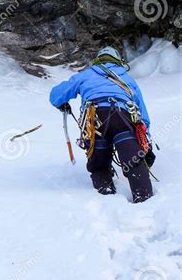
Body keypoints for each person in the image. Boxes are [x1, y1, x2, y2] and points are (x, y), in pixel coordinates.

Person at [49, 46, 154, 203]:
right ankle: (144, 198)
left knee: (99, 163)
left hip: (95, 119)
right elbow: (143, 116)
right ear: (118, 61)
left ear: (98, 59)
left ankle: (107, 197)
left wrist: (61, 103)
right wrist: (146, 140)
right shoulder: (127, 78)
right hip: (123, 117)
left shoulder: (87, 74)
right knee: (133, 160)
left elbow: (56, 95)